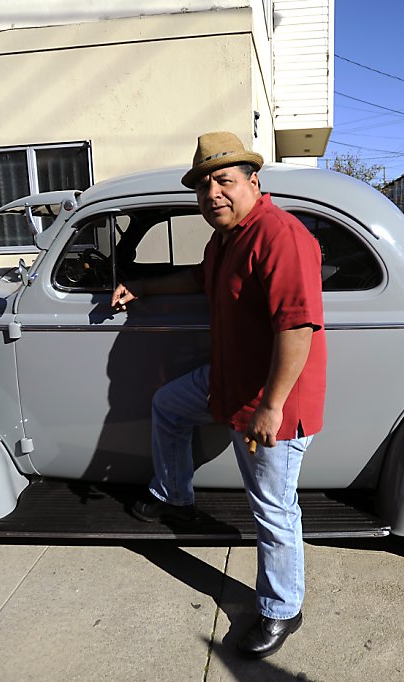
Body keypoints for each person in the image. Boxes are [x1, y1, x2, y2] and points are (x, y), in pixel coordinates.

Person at [110, 131, 326, 659]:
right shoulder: (226, 238)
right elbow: (198, 280)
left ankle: (281, 609)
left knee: (273, 509)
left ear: (253, 181)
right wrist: (141, 286)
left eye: (224, 180)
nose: (213, 193)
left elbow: (298, 327)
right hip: (227, 380)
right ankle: (174, 496)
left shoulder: (280, 235)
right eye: (204, 185)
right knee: (167, 405)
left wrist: (271, 407)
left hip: (270, 396)